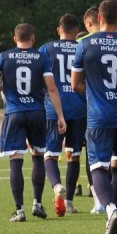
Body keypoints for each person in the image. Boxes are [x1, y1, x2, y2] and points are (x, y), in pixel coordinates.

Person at [0, 23, 66, 222]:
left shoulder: (4, 57)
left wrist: (4, 87)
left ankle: (20, 210)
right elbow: (52, 88)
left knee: (16, 161)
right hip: (37, 113)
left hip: (14, 114)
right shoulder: (41, 57)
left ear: (15, 38)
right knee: (38, 157)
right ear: (33, 38)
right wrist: (60, 116)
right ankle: (37, 203)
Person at [71, 0, 117, 234]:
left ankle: (111, 211)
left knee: (98, 167)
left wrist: (94, 93)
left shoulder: (84, 45)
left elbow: (75, 84)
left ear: (99, 18)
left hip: (99, 116)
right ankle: (115, 219)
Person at [39, 13, 86, 215]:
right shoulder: (82, 47)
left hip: (53, 109)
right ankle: (69, 202)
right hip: (78, 108)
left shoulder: (46, 49)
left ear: (59, 30)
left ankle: (57, 185)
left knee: (50, 154)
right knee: (74, 156)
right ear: (77, 31)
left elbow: (38, 78)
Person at [78, 7, 104, 212]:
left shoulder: (81, 42)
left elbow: (74, 81)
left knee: (91, 155)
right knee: (116, 158)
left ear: (88, 23)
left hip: (88, 107)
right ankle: (114, 199)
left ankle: (99, 200)